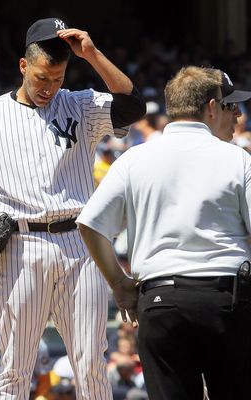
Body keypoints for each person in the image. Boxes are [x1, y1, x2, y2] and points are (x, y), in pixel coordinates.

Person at [0, 17, 145, 399]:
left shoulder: (78, 104)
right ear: (23, 66)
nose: (50, 88)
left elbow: (133, 107)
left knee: (91, 363)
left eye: (58, 78)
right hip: (20, 246)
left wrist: (93, 55)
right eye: (42, 78)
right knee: (14, 366)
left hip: (80, 245)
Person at [77, 66, 251, 400]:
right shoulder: (238, 159)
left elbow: (90, 224)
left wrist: (119, 283)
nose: (238, 114)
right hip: (226, 301)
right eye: (230, 106)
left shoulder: (134, 159)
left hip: (160, 302)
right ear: (211, 107)